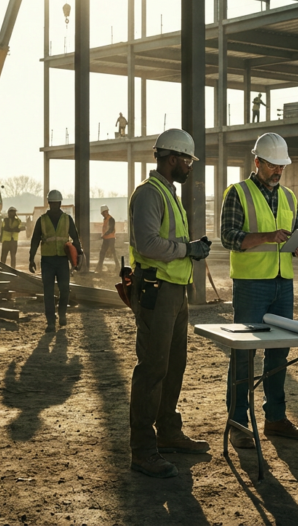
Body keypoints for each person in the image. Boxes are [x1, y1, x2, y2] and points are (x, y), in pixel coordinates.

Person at [128, 128, 211, 478]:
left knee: (174, 365)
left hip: (175, 291)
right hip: (157, 293)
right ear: (173, 158)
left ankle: (168, 432)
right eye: (188, 159)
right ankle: (144, 450)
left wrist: (188, 247)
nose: (190, 165)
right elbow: (147, 243)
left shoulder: (168, 193)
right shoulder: (149, 194)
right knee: (152, 369)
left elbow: (165, 241)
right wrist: (188, 249)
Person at [221, 132, 298, 449]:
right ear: (257, 162)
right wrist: (267, 236)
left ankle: (275, 418)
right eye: (273, 165)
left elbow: (294, 237)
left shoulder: (289, 197)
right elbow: (228, 237)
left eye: (281, 166)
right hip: (251, 286)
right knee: (244, 355)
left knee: (279, 353)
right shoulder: (237, 193)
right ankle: (238, 423)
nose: (278, 171)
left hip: (282, 284)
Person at [29, 190, 83, 333]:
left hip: (62, 260)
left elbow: (75, 238)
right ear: (49, 203)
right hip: (47, 260)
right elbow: (35, 239)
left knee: (64, 289)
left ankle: (62, 313)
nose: (54, 205)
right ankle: (51, 322)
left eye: (56, 203)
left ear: (59, 203)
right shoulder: (42, 220)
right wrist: (31, 258)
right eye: (52, 203)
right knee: (48, 292)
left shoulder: (67, 219)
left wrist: (79, 254)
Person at [96, 205, 119, 273]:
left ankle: (118, 267)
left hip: (111, 239)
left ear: (106, 212)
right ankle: (99, 267)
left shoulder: (111, 219)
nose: (103, 214)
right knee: (102, 253)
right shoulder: (105, 219)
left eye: (103, 213)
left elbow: (111, 229)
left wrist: (104, 234)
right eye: (102, 213)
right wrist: (103, 235)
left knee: (113, 253)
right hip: (106, 239)